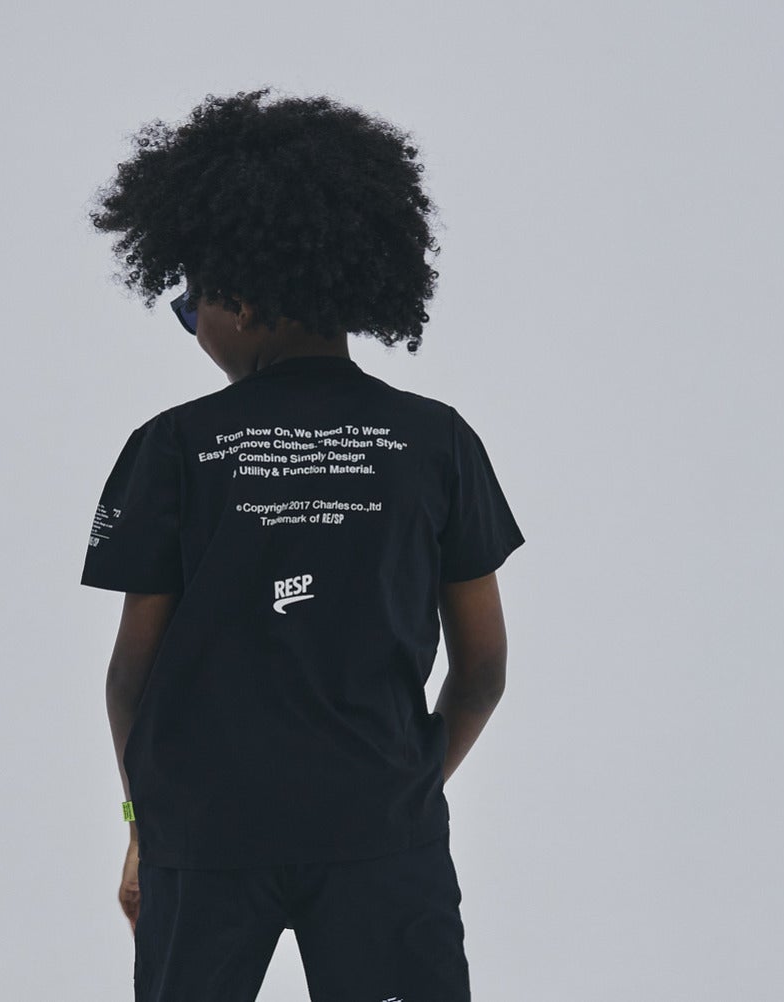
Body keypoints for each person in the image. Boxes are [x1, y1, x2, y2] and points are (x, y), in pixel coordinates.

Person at [80, 87, 526, 1002]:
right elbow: (483, 668)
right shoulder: (437, 441)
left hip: (204, 839)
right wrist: (399, 794)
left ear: (240, 300)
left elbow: (132, 676)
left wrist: (142, 823)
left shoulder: (175, 446)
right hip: (383, 839)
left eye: (191, 305)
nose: (194, 328)